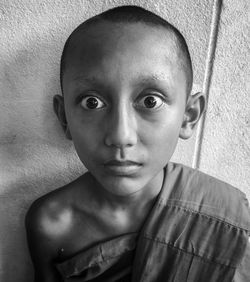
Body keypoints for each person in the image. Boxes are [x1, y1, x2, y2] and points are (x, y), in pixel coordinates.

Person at [25, 5, 250, 282]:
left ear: (188, 116)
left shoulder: (225, 217)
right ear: (64, 119)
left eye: (150, 101)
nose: (121, 136)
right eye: (92, 102)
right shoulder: (51, 221)